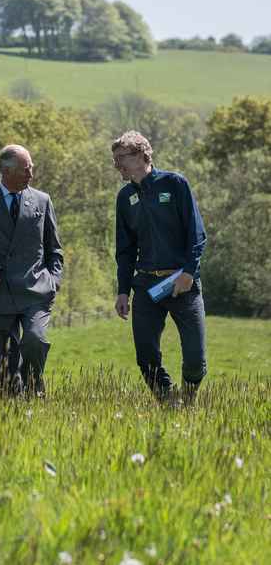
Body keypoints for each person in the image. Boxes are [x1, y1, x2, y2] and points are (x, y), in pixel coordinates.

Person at [112, 130, 207, 404]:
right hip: (145, 287)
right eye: (115, 159)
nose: (118, 165)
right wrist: (122, 291)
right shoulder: (125, 197)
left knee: (194, 358)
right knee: (146, 356)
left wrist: (189, 273)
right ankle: (169, 401)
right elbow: (125, 249)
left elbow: (197, 234)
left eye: (122, 158)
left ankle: (188, 399)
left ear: (143, 156)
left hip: (183, 284)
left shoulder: (175, 184)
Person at [0, 144, 63, 396]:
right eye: (26, 168)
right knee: (5, 366)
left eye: (31, 167)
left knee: (35, 341)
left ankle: (34, 391)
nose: (31, 173)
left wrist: (53, 281)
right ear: (7, 171)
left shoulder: (42, 200)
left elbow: (55, 249)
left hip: (36, 290)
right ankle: (12, 412)